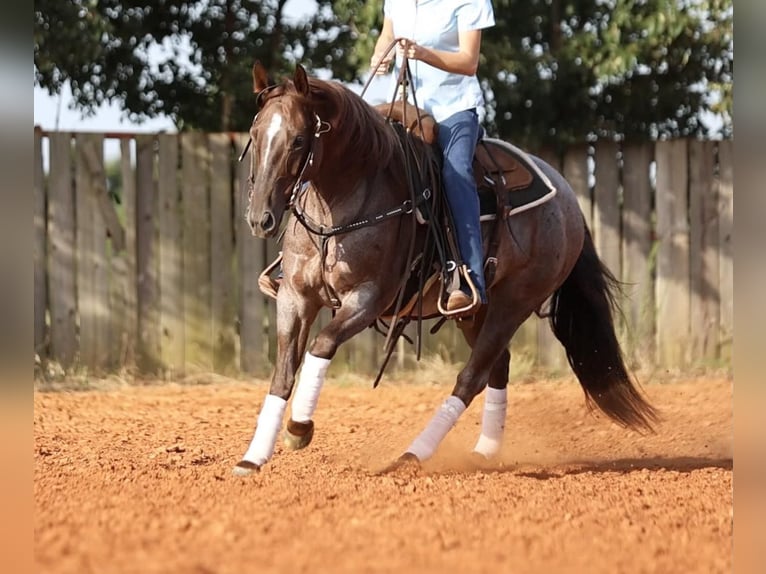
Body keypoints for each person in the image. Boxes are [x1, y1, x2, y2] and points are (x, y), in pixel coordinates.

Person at [371, 0, 495, 313]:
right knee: (353, 154)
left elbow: (469, 62)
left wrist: (424, 54)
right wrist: (379, 56)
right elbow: (387, 35)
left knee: (455, 173)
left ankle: (468, 277)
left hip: (452, 109)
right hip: (402, 108)